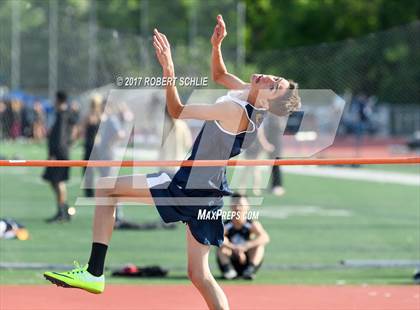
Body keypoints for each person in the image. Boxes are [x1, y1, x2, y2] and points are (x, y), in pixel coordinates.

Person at [44, 15, 300, 309]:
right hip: (209, 190)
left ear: (268, 102)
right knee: (199, 274)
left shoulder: (235, 110)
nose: (268, 79)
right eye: (275, 79)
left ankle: (94, 273)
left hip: (192, 186)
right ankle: (94, 274)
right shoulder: (248, 94)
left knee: (106, 189)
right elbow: (219, 76)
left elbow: (177, 110)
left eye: (273, 87)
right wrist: (216, 45)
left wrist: (168, 70)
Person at [42, 91, 77, 223]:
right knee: (54, 181)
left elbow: (60, 137)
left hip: (59, 154)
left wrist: (54, 154)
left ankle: (62, 212)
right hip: (61, 152)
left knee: (58, 182)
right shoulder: (65, 113)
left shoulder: (63, 114)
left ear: (58, 100)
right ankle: (63, 209)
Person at [217, 193, 269, 280]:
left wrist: (245, 246)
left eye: (240, 205)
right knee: (221, 247)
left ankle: (250, 270)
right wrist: (234, 248)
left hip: (247, 258)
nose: (237, 208)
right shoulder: (226, 225)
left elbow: (265, 237)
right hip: (232, 257)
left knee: (259, 246)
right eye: (235, 205)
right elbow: (218, 238)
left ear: (247, 207)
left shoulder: (252, 224)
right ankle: (229, 270)